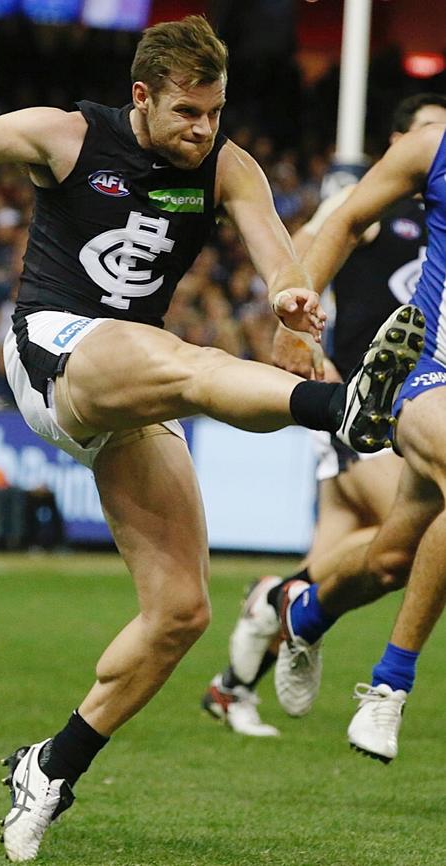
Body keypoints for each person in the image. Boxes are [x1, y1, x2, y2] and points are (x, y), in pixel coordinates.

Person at [0, 19, 423, 859]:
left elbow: (281, 257)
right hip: (57, 350)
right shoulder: (66, 136)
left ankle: (51, 765)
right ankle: (340, 408)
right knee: (185, 360)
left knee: (181, 612)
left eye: (215, 111)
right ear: (142, 97)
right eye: (188, 112)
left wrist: (290, 300)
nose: (204, 129)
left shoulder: (226, 166)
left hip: (136, 382)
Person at [202, 93, 446, 737]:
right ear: (398, 141)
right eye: (423, 128)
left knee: (386, 557)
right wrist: (304, 336)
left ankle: (260, 640)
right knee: (419, 539)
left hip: (408, 406)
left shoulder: (429, 224)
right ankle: (382, 677)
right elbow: (310, 242)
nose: (433, 137)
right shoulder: (385, 206)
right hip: (369, 396)